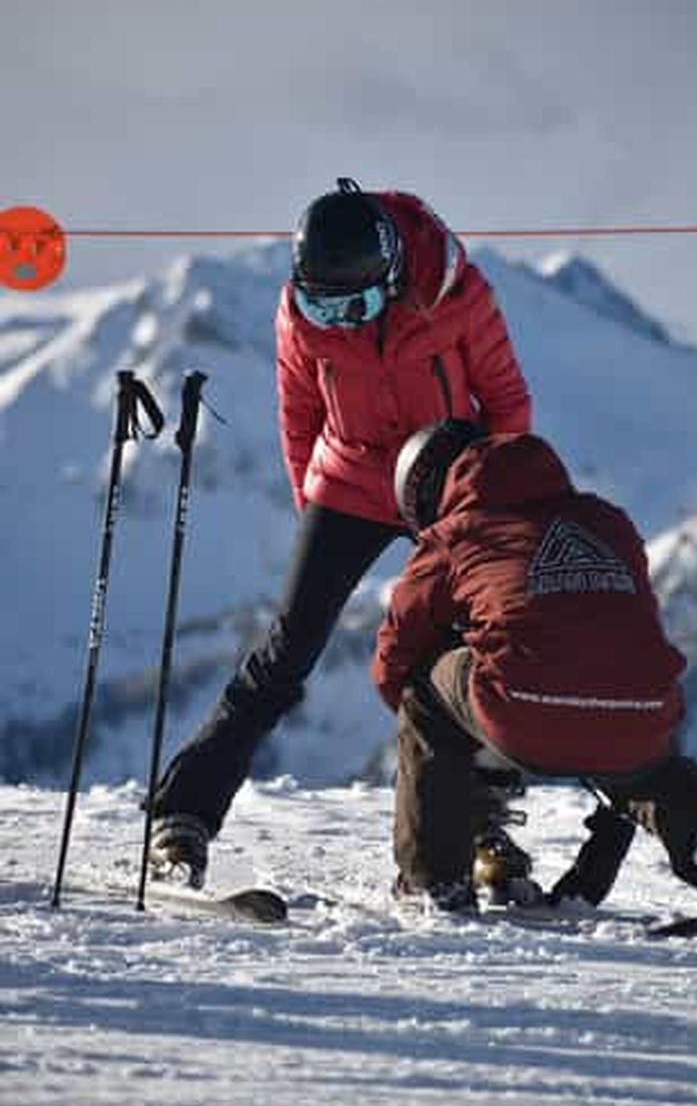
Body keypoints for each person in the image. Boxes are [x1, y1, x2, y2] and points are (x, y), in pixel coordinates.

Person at [147, 178, 532, 888]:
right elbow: (299, 416)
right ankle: (183, 815)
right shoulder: (301, 317)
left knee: (464, 653)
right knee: (287, 649)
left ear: (391, 274)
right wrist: (312, 515)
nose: (341, 321)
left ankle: (483, 834)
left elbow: (506, 400)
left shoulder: (457, 297)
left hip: (448, 479)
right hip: (350, 480)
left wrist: (493, 503)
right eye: (324, 305)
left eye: (354, 305)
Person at [371, 420, 697, 936]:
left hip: (519, 705)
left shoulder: (456, 532)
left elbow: (396, 650)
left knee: (424, 692)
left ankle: (435, 885)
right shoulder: (606, 521)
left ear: (430, 492)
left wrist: (448, 736)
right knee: (648, 771)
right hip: (641, 706)